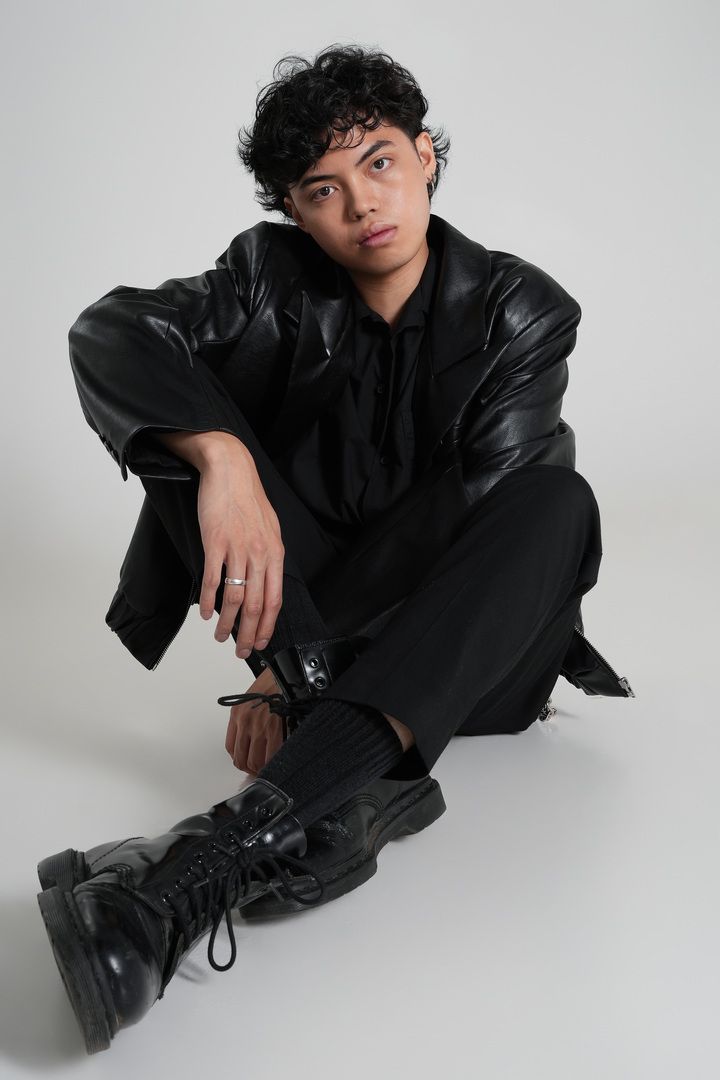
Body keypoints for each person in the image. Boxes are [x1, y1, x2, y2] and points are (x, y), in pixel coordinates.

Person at [36, 43, 634, 1054]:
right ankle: (345, 803)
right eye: (323, 189)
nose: (363, 204)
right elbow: (110, 331)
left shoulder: (521, 311)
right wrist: (223, 457)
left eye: (381, 162)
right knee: (181, 420)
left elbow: (473, 521)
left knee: (554, 501)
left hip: (478, 659)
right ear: (295, 212)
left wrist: (290, 677)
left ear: (427, 158)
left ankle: (185, 870)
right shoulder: (269, 278)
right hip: (307, 627)